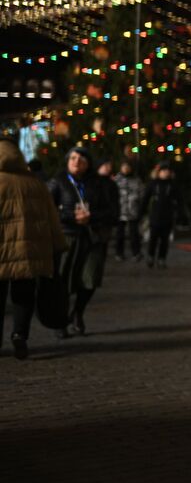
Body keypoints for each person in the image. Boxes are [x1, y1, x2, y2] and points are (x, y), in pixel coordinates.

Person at [0, 139, 68, 359]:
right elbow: (52, 218)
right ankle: (20, 334)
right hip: (29, 252)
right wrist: (58, 245)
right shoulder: (34, 183)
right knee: (23, 295)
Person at [49, 145, 117, 337]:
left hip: (92, 236)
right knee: (63, 281)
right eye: (73, 158)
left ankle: (77, 312)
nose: (76, 162)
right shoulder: (58, 182)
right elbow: (47, 209)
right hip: (67, 236)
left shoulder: (98, 184)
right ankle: (60, 321)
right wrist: (70, 216)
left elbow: (111, 211)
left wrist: (92, 216)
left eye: (81, 159)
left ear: (88, 164)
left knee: (90, 278)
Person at [142, 162, 181, 268]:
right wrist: (142, 212)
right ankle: (150, 256)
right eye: (163, 171)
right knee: (153, 238)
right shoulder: (153, 184)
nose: (165, 173)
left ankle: (161, 258)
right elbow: (145, 198)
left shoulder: (172, 184)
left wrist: (179, 212)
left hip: (168, 215)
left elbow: (179, 199)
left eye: (167, 171)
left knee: (164, 240)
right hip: (155, 215)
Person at [112, 158, 144, 262]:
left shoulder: (136, 180)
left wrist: (138, 206)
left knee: (134, 234)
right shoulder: (116, 180)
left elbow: (141, 194)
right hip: (120, 211)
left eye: (128, 166)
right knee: (119, 235)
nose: (126, 169)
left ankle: (136, 253)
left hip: (132, 211)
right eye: (124, 166)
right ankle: (119, 253)